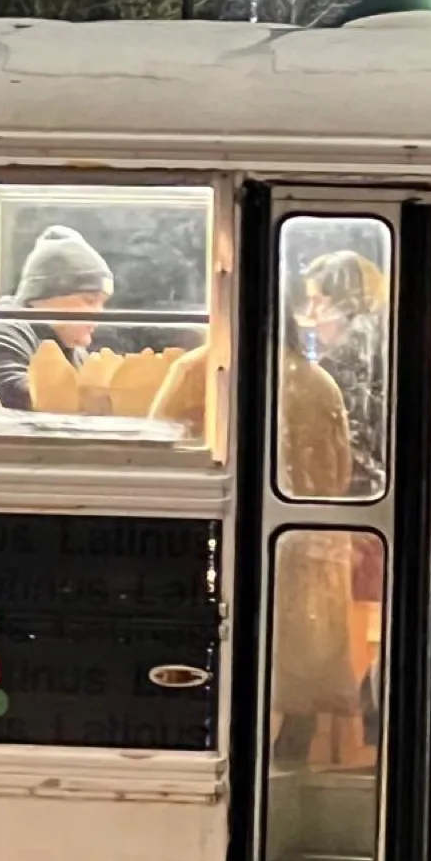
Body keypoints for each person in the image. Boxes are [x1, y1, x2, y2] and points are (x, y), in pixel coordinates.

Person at [151, 318, 357, 763]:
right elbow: (339, 474)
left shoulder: (198, 372)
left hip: (215, 544)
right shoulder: (317, 382)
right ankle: (291, 756)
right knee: (297, 680)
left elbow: (158, 454)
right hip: (310, 545)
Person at [0, 225, 115, 410]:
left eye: (102, 303)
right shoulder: (2, 330)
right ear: (44, 296)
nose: (99, 314)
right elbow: (25, 398)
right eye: (89, 301)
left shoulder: (74, 350)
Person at [299, 250, 388, 497]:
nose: (310, 313)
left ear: (345, 305)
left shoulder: (344, 365)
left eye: (318, 301)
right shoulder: (382, 349)